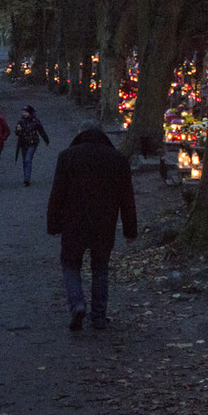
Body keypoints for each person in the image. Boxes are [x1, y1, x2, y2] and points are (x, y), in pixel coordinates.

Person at [46, 120, 137, 331]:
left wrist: (53, 224)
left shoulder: (67, 157)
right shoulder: (118, 160)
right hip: (104, 223)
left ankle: (77, 303)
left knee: (70, 265)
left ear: (80, 134)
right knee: (100, 269)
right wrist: (130, 230)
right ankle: (98, 316)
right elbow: (127, 199)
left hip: (73, 222)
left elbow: (57, 194)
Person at [14, 105, 50, 186]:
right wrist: (18, 130)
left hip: (32, 142)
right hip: (23, 143)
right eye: (23, 112)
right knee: (24, 160)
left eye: (26, 112)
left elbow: (41, 130)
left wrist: (46, 139)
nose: (24, 114)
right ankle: (26, 176)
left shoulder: (35, 121)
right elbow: (17, 133)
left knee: (28, 159)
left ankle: (27, 178)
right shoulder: (21, 121)